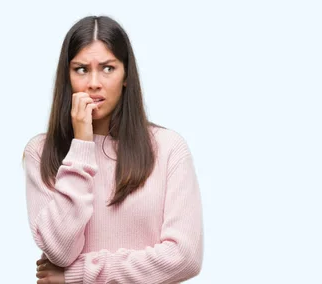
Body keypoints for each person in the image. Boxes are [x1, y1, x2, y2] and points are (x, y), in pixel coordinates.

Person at [22, 15, 204, 284]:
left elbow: (184, 256)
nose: (94, 82)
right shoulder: (40, 152)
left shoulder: (168, 149)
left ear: (126, 75)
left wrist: (80, 274)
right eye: (81, 69)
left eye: (107, 68)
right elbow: (60, 252)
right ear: (67, 76)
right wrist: (82, 144)